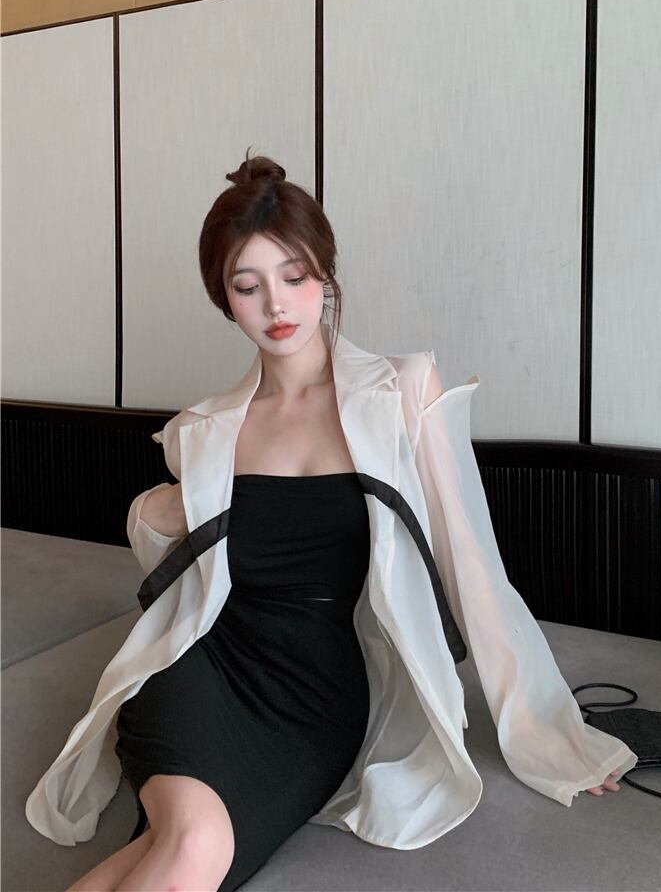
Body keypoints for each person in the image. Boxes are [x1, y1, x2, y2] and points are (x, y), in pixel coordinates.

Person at [57, 150, 628, 892]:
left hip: (316, 700)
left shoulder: (401, 391)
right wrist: (157, 506)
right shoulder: (206, 429)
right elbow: (171, 567)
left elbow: (471, 566)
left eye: (294, 277)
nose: (276, 305)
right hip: (200, 668)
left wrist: (546, 730)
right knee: (192, 844)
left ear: (325, 273)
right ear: (225, 300)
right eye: (248, 286)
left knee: (181, 849)